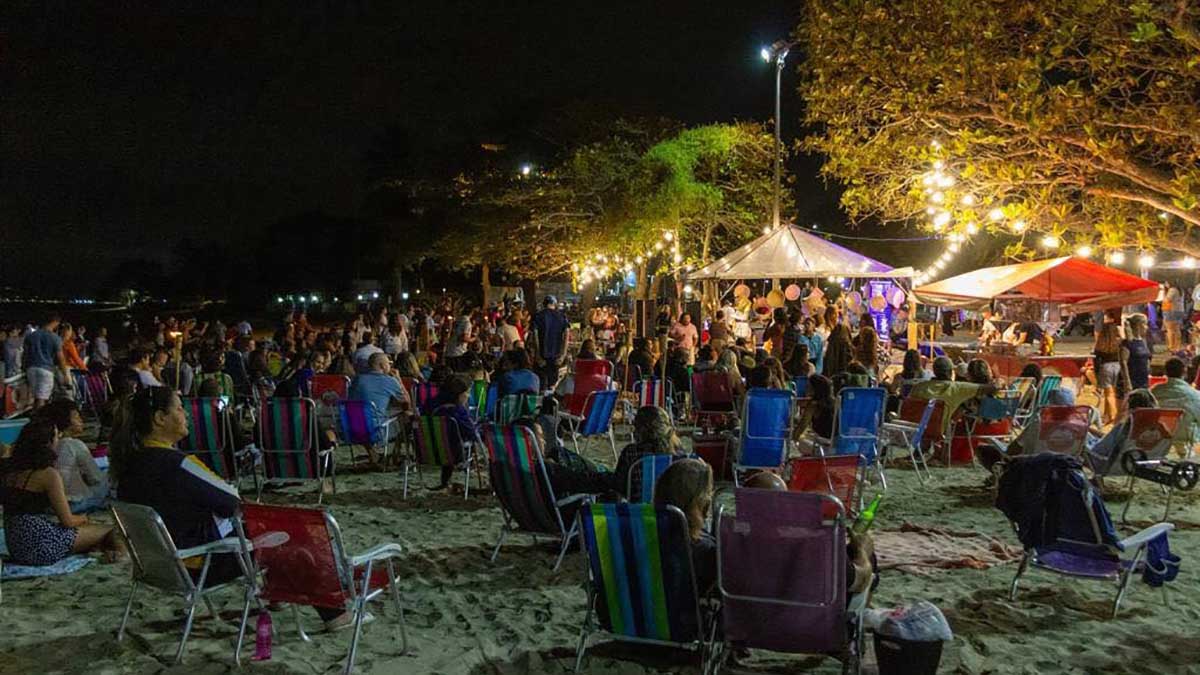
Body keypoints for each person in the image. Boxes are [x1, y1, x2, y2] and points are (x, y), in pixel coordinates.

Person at [112, 387, 354, 629]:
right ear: (159, 418)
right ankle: (335, 613)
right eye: (178, 408)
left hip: (161, 567)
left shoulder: (127, 467)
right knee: (290, 531)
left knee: (266, 530)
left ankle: (280, 592)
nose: (185, 413)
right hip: (202, 565)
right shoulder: (179, 465)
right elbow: (233, 502)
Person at [1, 419, 123, 565]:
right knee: (111, 530)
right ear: (48, 443)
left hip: (16, 546)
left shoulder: (9, 471)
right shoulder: (48, 475)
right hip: (40, 546)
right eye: (56, 437)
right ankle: (121, 556)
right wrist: (84, 518)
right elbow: (68, 521)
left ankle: (95, 546)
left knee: (86, 532)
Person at [653, 458, 716, 596]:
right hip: (684, 616)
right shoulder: (705, 551)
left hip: (630, 615)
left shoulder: (637, 536)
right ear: (700, 502)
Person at [37, 400, 107, 513]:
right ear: (65, 421)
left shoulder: (43, 444)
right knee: (107, 480)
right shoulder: (73, 444)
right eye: (76, 417)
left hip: (51, 504)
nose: (81, 420)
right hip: (75, 503)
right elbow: (96, 478)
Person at [910, 356, 995, 436]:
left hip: (913, 430)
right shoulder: (957, 388)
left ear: (935, 371)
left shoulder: (918, 387)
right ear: (950, 372)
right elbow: (990, 388)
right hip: (940, 431)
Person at [614, 406, 685, 497]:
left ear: (641, 430)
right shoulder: (678, 454)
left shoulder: (632, 452)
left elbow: (620, 486)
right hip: (673, 510)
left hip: (640, 510)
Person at [429, 374, 479, 491]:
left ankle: (445, 482)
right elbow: (471, 433)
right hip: (455, 454)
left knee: (447, 440)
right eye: (467, 393)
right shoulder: (458, 412)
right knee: (460, 442)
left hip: (429, 451)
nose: (468, 396)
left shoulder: (431, 404)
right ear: (459, 395)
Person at [1151, 356, 1200, 445]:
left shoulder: (1152, 393)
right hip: (1187, 445)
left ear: (1165, 372)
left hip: (1159, 443)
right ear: (1184, 372)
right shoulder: (1195, 396)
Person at [22, 315, 67, 409]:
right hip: (46, 369)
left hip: (31, 368)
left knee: (36, 397)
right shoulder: (55, 338)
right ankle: (41, 420)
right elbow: (61, 358)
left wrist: (24, 368)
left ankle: (36, 418)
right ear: (55, 322)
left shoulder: (31, 336)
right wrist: (64, 374)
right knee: (42, 398)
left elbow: (25, 354)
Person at [530, 295, 569, 389]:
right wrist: (563, 354)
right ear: (554, 304)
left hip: (542, 354)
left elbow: (535, 336)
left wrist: (538, 355)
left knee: (541, 383)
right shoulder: (562, 317)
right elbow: (566, 336)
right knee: (553, 384)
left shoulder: (538, 316)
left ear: (544, 304)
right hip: (556, 355)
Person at [1093, 323, 1123, 424]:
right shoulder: (1120, 343)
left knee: (1109, 394)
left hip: (1106, 367)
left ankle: (1113, 416)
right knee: (1113, 393)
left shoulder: (1100, 344)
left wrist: (1097, 376)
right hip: (1118, 366)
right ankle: (1107, 415)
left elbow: (1096, 361)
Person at [1121, 314, 1152, 391]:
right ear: (1138, 326)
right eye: (1145, 324)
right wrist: (1127, 382)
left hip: (1143, 379)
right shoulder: (1127, 343)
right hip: (1133, 380)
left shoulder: (1143, 341)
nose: (1146, 327)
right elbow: (1123, 363)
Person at [1164, 282, 1184, 351]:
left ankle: (1171, 346)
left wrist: (1165, 293)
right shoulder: (1181, 290)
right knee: (1177, 329)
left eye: (1166, 283)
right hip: (1180, 311)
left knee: (1170, 329)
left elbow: (1167, 300)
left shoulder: (1172, 290)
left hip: (1172, 311)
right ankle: (1177, 346)